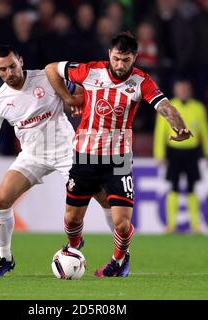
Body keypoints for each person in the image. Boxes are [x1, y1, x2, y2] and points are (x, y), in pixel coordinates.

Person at [0, 45, 112, 277]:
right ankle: (5, 258)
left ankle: (120, 257)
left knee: (105, 197)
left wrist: (77, 102)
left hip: (68, 151)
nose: (9, 73)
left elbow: (83, 91)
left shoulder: (46, 78)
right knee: (1, 200)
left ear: (21, 61)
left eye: (12, 66)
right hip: (32, 155)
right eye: (2, 69)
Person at [45, 32, 192, 278]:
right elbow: (51, 69)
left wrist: (179, 126)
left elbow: (165, 106)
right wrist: (68, 97)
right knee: (71, 220)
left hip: (119, 159)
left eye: (126, 59)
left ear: (134, 57)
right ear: (109, 55)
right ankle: (75, 244)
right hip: (85, 156)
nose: (120, 65)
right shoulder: (90, 72)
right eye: (116, 59)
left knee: (122, 224)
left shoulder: (141, 81)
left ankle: (119, 261)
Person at [154, 78, 208, 234]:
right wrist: (159, 154)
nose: (182, 92)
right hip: (174, 151)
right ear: (175, 90)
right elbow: (160, 132)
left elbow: (205, 131)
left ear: (190, 91)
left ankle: (195, 225)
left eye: (185, 89)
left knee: (192, 187)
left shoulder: (198, 108)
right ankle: (171, 225)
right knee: (173, 186)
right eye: (180, 89)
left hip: (192, 152)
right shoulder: (168, 107)